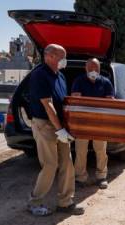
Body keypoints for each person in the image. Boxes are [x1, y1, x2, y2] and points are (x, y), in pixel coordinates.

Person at [28, 44, 84, 216]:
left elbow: (61, 101)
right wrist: (60, 130)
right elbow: (48, 105)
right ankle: (35, 202)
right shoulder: (39, 75)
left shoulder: (60, 76)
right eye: (62, 56)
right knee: (50, 165)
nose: (64, 60)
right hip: (45, 125)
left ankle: (65, 202)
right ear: (50, 56)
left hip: (59, 125)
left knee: (67, 163)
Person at [71, 58, 114, 189]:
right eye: (91, 69)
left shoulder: (106, 82)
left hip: (100, 123)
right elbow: (76, 100)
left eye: (96, 69)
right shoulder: (79, 81)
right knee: (80, 151)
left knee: (101, 150)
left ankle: (101, 177)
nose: (93, 71)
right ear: (86, 68)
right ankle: (80, 178)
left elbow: (110, 102)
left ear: (100, 69)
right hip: (82, 122)